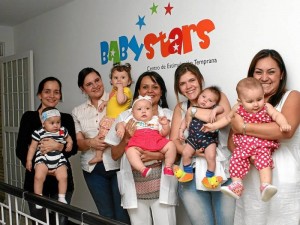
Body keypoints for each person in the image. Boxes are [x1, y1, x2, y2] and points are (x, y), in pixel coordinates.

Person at [231, 49, 300, 225]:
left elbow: (285, 131)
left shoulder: (292, 96)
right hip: (251, 174)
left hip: (282, 173)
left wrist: (244, 127)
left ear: (281, 74)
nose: (264, 77)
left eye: (271, 72)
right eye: (258, 72)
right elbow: (231, 142)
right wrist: (252, 155)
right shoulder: (243, 105)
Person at [105, 71, 178, 225]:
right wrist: (126, 139)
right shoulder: (125, 117)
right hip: (135, 191)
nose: (150, 91)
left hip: (162, 189)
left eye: (155, 87)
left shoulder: (169, 117)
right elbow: (114, 155)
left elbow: (179, 151)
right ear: (138, 91)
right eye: (145, 87)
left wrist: (156, 156)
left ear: (162, 91)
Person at [202, 77, 291, 202]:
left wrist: (283, 123)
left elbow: (277, 115)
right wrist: (213, 126)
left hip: (262, 144)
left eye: (259, 99)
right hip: (243, 145)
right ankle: (237, 185)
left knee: (264, 160)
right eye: (250, 101)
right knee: (235, 160)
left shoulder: (266, 107)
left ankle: (265, 185)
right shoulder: (237, 108)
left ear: (263, 95)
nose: (256, 104)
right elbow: (227, 119)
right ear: (240, 101)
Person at [170, 62, 236, 225]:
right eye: (182, 83)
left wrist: (193, 111)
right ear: (178, 88)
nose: (188, 86)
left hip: (221, 172)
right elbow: (174, 140)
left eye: (192, 80)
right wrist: (190, 151)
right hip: (190, 173)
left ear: (200, 80)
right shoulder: (180, 107)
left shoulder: (218, 97)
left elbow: (226, 121)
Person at [16, 77, 78, 225]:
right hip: (36, 179)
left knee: (61, 222)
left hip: (61, 180)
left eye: (56, 92)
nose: (52, 95)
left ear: (60, 95)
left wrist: (58, 147)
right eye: (47, 91)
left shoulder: (66, 119)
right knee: (39, 222)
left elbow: (73, 147)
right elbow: (20, 149)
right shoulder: (29, 117)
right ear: (39, 94)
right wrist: (38, 165)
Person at [71, 67, 130, 223]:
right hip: (93, 170)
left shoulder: (116, 98)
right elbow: (78, 144)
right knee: (105, 215)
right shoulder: (77, 112)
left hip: (118, 165)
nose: (95, 85)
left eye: (97, 80)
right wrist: (92, 142)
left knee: (123, 215)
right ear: (82, 89)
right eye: (89, 84)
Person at [116, 95, 176, 177]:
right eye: (139, 109)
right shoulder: (131, 120)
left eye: (147, 109)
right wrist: (120, 129)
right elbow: (120, 124)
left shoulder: (156, 119)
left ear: (152, 111)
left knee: (171, 145)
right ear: (133, 113)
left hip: (155, 142)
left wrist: (165, 125)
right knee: (130, 151)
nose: (144, 111)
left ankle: (168, 166)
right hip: (138, 145)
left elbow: (163, 133)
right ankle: (142, 169)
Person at [176, 86, 224, 187]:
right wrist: (181, 131)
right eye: (203, 96)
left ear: (214, 103)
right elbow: (185, 121)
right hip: (193, 139)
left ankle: (210, 177)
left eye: (210, 100)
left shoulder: (212, 110)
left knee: (211, 156)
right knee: (185, 153)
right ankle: (188, 173)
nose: (205, 100)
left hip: (208, 139)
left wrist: (215, 111)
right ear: (199, 96)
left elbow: (222, 108)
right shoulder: (194, 109)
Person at [26, 107, 73, 208]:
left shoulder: (61, 131)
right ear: (43, 123)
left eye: (58, 122)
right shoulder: (39, 132)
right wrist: (29, 160)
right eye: (52, 123)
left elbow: (68, 138)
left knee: (63, 176)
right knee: (38, 176)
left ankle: (61, 197)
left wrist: (70, 142)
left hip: (58, 158)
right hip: (43, 158)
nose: (56, 125)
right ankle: (38, 197)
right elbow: (33, 147)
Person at [89, 62, 133, 164]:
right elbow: (113, 101)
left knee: (110, 138)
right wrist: (105, 103)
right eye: (116, 78)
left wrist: (121, 88)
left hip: (117, 120)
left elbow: (120, 101)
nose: (119, 80)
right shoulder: (114, 91)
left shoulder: (126, 91)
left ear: (129, 81)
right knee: (101, 136)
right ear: (111, 81)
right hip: (109, 118)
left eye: (123, 77)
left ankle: (104, 152)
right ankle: (99, 155)